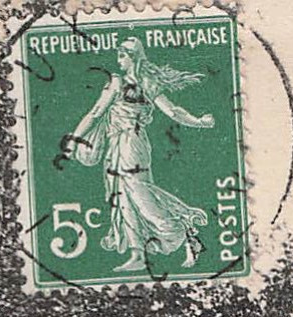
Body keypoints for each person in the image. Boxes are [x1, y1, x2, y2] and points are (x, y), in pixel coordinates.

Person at [64, 39, 214, 272]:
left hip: (131, 145)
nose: (118, 60)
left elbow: (96, 113)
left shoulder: (127, 82)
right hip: (117, 145)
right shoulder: (137, 81)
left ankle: (183, 232)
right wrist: (199, 122)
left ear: (132, 56)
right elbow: (172, 111)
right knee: (122, 197)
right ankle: (138, 255)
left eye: (122, 56)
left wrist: (199, 123)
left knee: (140, 195)